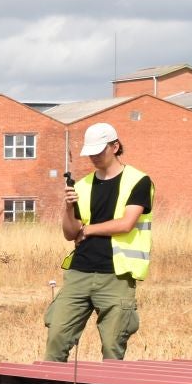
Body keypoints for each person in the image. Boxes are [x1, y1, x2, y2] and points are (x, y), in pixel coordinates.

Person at [45, 122, 152, 362]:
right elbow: (71, 233)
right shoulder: (82, 185)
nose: (93, 156)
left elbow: (126, 224)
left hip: (117, 274)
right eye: (90, 152)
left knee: (113, 347)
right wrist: (68, 206)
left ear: (115, 146)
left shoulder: (139, 181)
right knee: (56, 338)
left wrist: (90, 229)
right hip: (79, 272)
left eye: (98, 151)